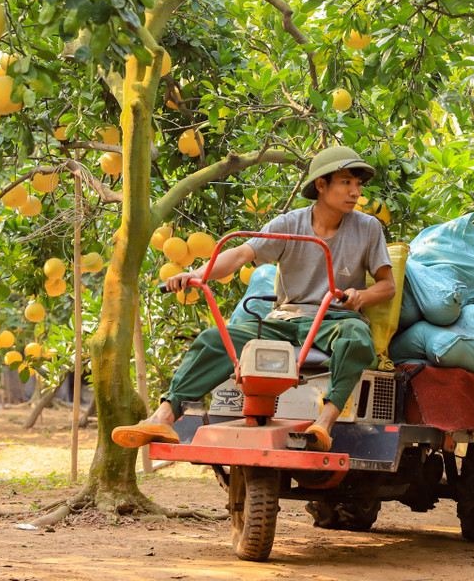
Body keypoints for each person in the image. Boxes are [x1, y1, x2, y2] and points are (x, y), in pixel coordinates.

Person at [111, 146, 395, 452]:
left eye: (358, 184)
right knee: (213, 339)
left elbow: (387, 286)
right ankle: (163, 417)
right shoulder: (289, 224)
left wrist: (361, 295)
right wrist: (196, 274)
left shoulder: (368, 228)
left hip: (333, 320)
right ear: (321, 185)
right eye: (346, 183)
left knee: (357, 337)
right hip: (285, 320)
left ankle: (323, 424)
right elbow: (239, 255)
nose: (355, 192)